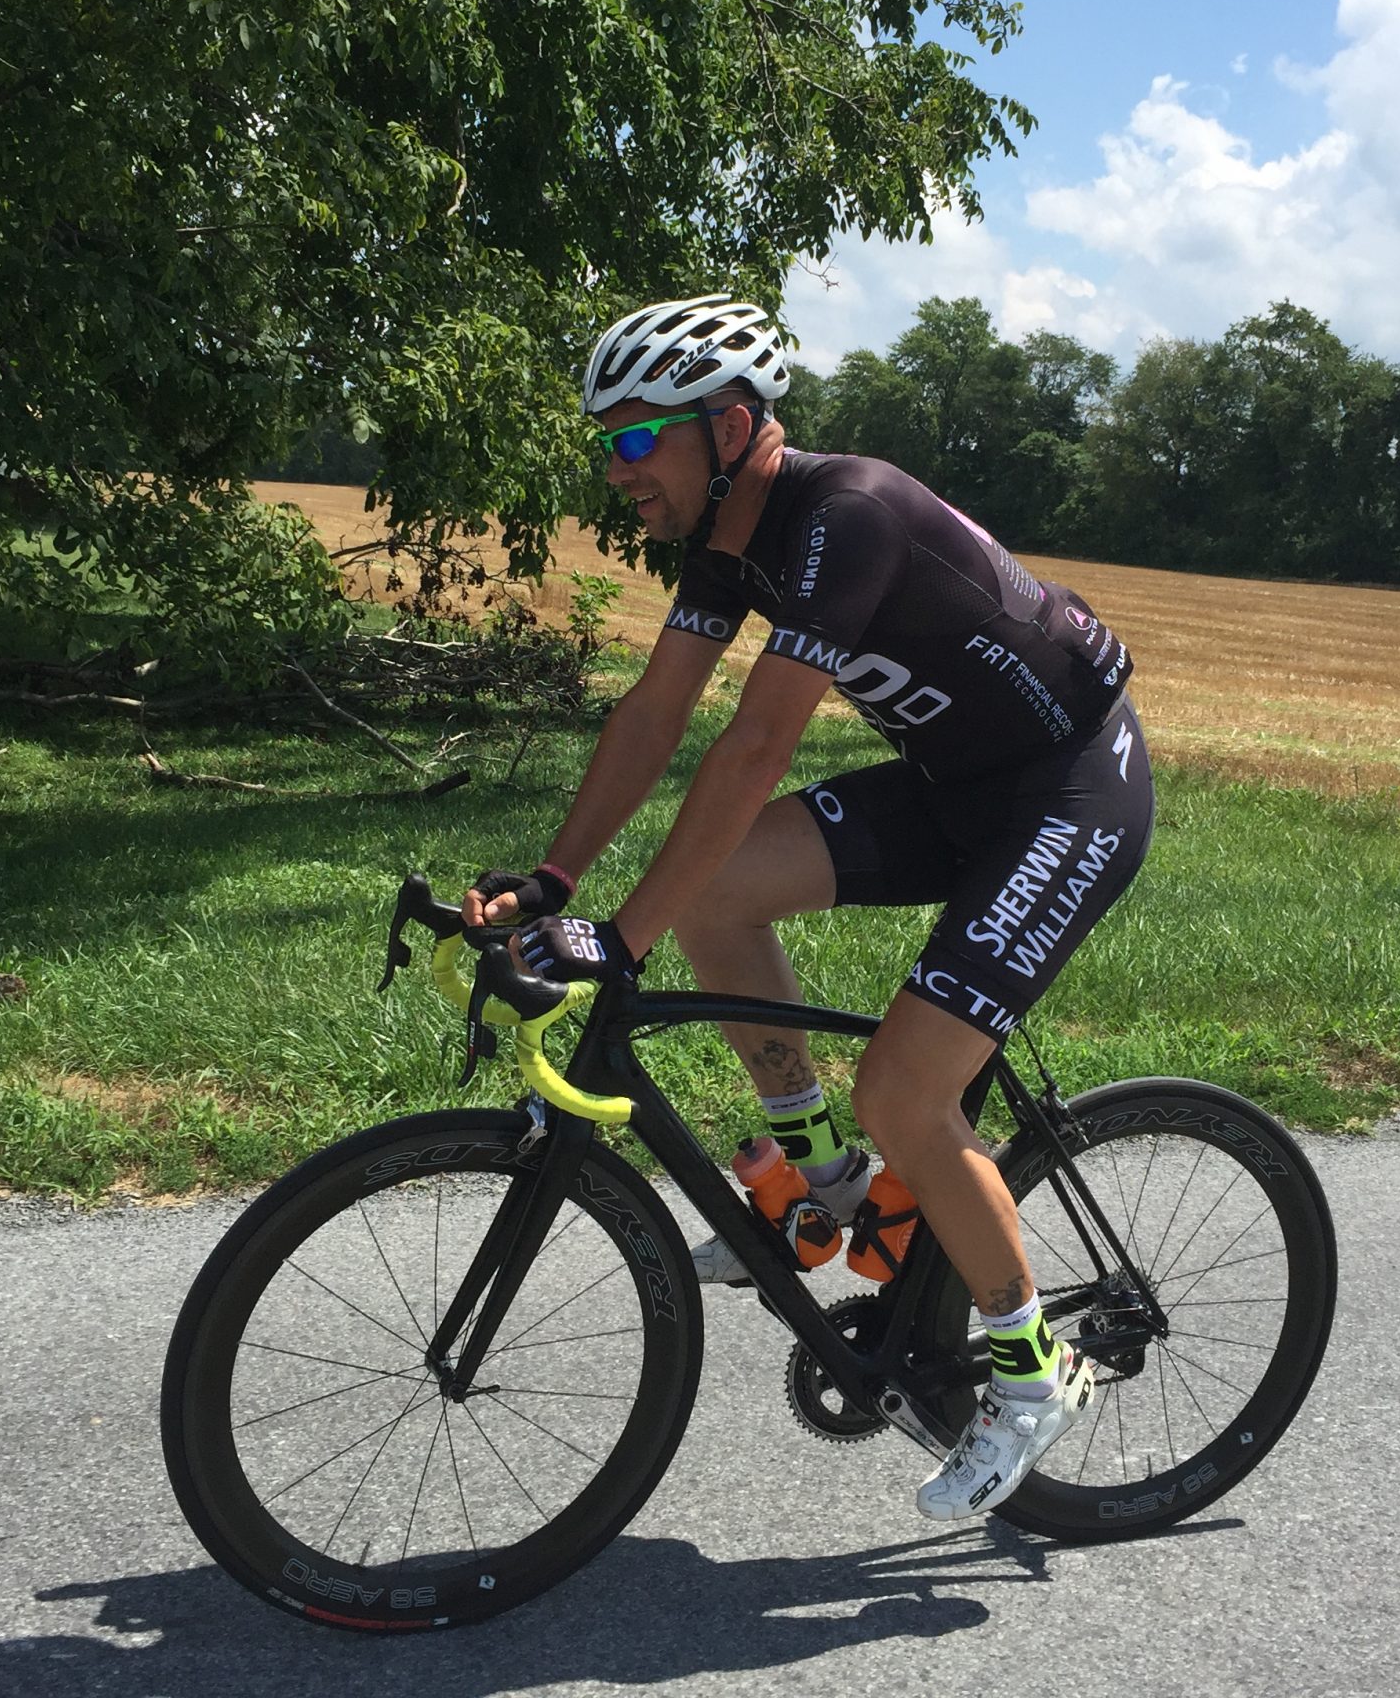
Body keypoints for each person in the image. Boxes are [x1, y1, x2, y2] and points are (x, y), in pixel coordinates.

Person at [462, 293, 1152, 1521]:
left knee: (906, 1090)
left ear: (729, 428)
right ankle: (828, 1183)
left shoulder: (847, 514)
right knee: (718, 893)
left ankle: (1029, 1369)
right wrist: (557, 881)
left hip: (1066, 790)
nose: (617, 469)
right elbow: (656, 714)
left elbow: (754, 747)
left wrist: (617, 942)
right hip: (957, 786)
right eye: (607, 442)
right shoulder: (727, 543)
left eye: (636, 438)